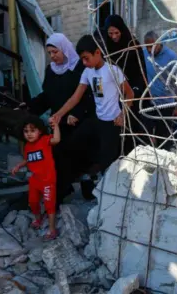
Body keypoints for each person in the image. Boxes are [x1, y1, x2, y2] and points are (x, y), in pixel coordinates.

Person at [17, 33, 95, 204]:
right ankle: (61, 191)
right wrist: (30, 106)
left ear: (65, 49)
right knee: (58, 158)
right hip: (59, 123)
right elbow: (48, 96)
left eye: (55, 52)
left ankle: (86, 185)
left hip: (77, 121)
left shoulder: (79, 68)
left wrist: (77, 113)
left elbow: (88, 96)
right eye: (50, 53)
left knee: (79, 157)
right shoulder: (50, 70)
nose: (52, 56)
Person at [50, 34, 134, 178]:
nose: (83, 62)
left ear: (97, 53)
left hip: (112, 122)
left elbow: (130, 94)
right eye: (82, 59)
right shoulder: (87, 71)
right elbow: (76, 97)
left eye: (86, 58)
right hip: (97, 119)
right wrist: (59, 114)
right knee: (75, 141)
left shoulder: (112, 70)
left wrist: (122, 115)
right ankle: (85, 176)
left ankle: (107, 192)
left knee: (107, 161)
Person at [102, 15, 151, 149]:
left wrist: (135, 89)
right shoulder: (106, 48)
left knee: (137, 127)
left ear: (122, 31)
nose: (114, 37)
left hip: (135, 93)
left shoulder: (132, 45)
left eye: (117, 33)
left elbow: (141, 73)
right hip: (116, 95)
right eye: (110, 33)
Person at [11, 118, 60, 240]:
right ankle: (38, 219)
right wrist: (19, 165)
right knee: (33, 201)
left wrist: (56, 126)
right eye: (26, 131)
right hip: (35, 179)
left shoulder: (44, 140)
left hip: (47, 179)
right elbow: (28, 159)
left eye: (33, 130)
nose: (29, 133)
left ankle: (52, 229)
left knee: (49, 204)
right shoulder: (27, 146)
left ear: (40, 131)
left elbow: (57, 139)